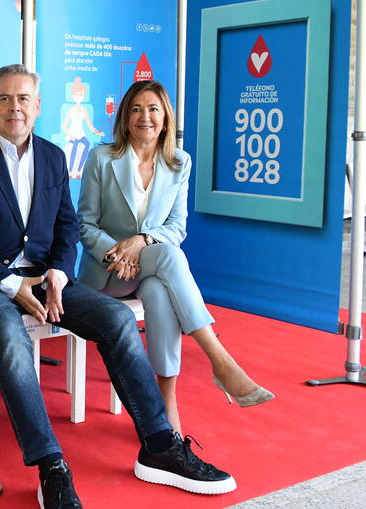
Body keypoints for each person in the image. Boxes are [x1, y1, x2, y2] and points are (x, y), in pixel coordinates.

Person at [0, 64, 236, 509]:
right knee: (12, 339)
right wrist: (12, 283)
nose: (14, 107)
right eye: (5, 98)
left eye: (23, 99)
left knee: (118, 319)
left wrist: (58, 274)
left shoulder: (53, 156)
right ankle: (50, 466)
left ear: (38, 106)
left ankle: (159, 445)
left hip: (47, 277)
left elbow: (67, 227)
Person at [77, 80, 274, 434]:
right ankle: (219, 360)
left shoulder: (179, 162)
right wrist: (119, 253)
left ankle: (166, 406)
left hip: (149, 270)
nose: (145, 117)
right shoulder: (102, 158)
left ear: (166, 118)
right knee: (169, 258)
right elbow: (86, 224)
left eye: (153, 109)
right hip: (107, 274)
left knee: (157, 291)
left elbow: (176, 226)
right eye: (136, 109)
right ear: (125, 118)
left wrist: (141, 241)